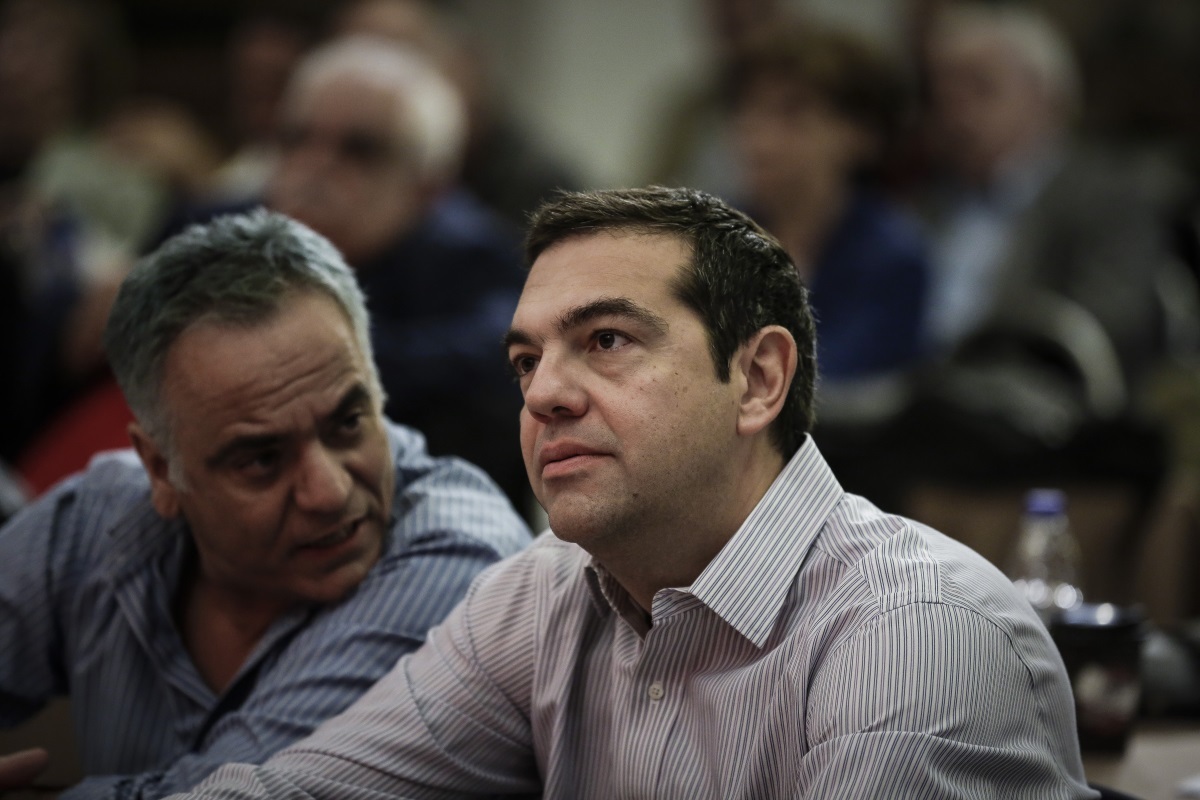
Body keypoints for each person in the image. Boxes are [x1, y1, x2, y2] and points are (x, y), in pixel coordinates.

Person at [170, 186, 1097, 799]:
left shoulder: (916, 635)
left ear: (759, 379)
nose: (543, 393)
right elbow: (292, 791)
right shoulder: (542, 594)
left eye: (606, 341)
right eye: (525, 361)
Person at [0, 209, 532, 798]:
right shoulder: (97, 520)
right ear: (162, 469)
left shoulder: (457, 561)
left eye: (349, 423)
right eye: (261, 460)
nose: (329, 492)